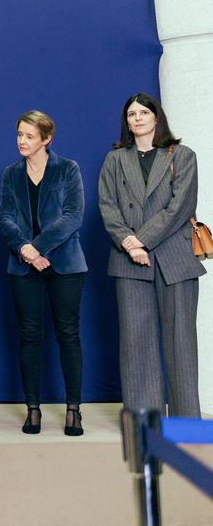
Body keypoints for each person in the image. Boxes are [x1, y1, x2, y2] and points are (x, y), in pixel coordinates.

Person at [98, 92, 204, 418]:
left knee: (181, 342)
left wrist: (139, 241)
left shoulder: (182, 155)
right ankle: (147, 422)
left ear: (157, 117)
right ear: (126, 122)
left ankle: (186, 422)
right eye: (132, 114)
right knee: (136, 345)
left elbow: (180, 207)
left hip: (174, 258)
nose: (138, 118)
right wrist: (129, 244)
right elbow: (107, 206)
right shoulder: (114, 160)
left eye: (144, 112)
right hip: (129, 261)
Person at [0, 111, 87, 435]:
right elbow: (4, 217)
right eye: (19, 134)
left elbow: (74, 216)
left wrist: (38, 247)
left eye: (29, 136)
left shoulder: (67, 169)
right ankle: (32, 409)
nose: (22, 141)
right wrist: (25, 250)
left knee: (68, 334)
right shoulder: (11, 174)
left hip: (64, 264)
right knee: (29, 336)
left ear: (46, 139)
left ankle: (73, 410)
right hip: (24, 265)